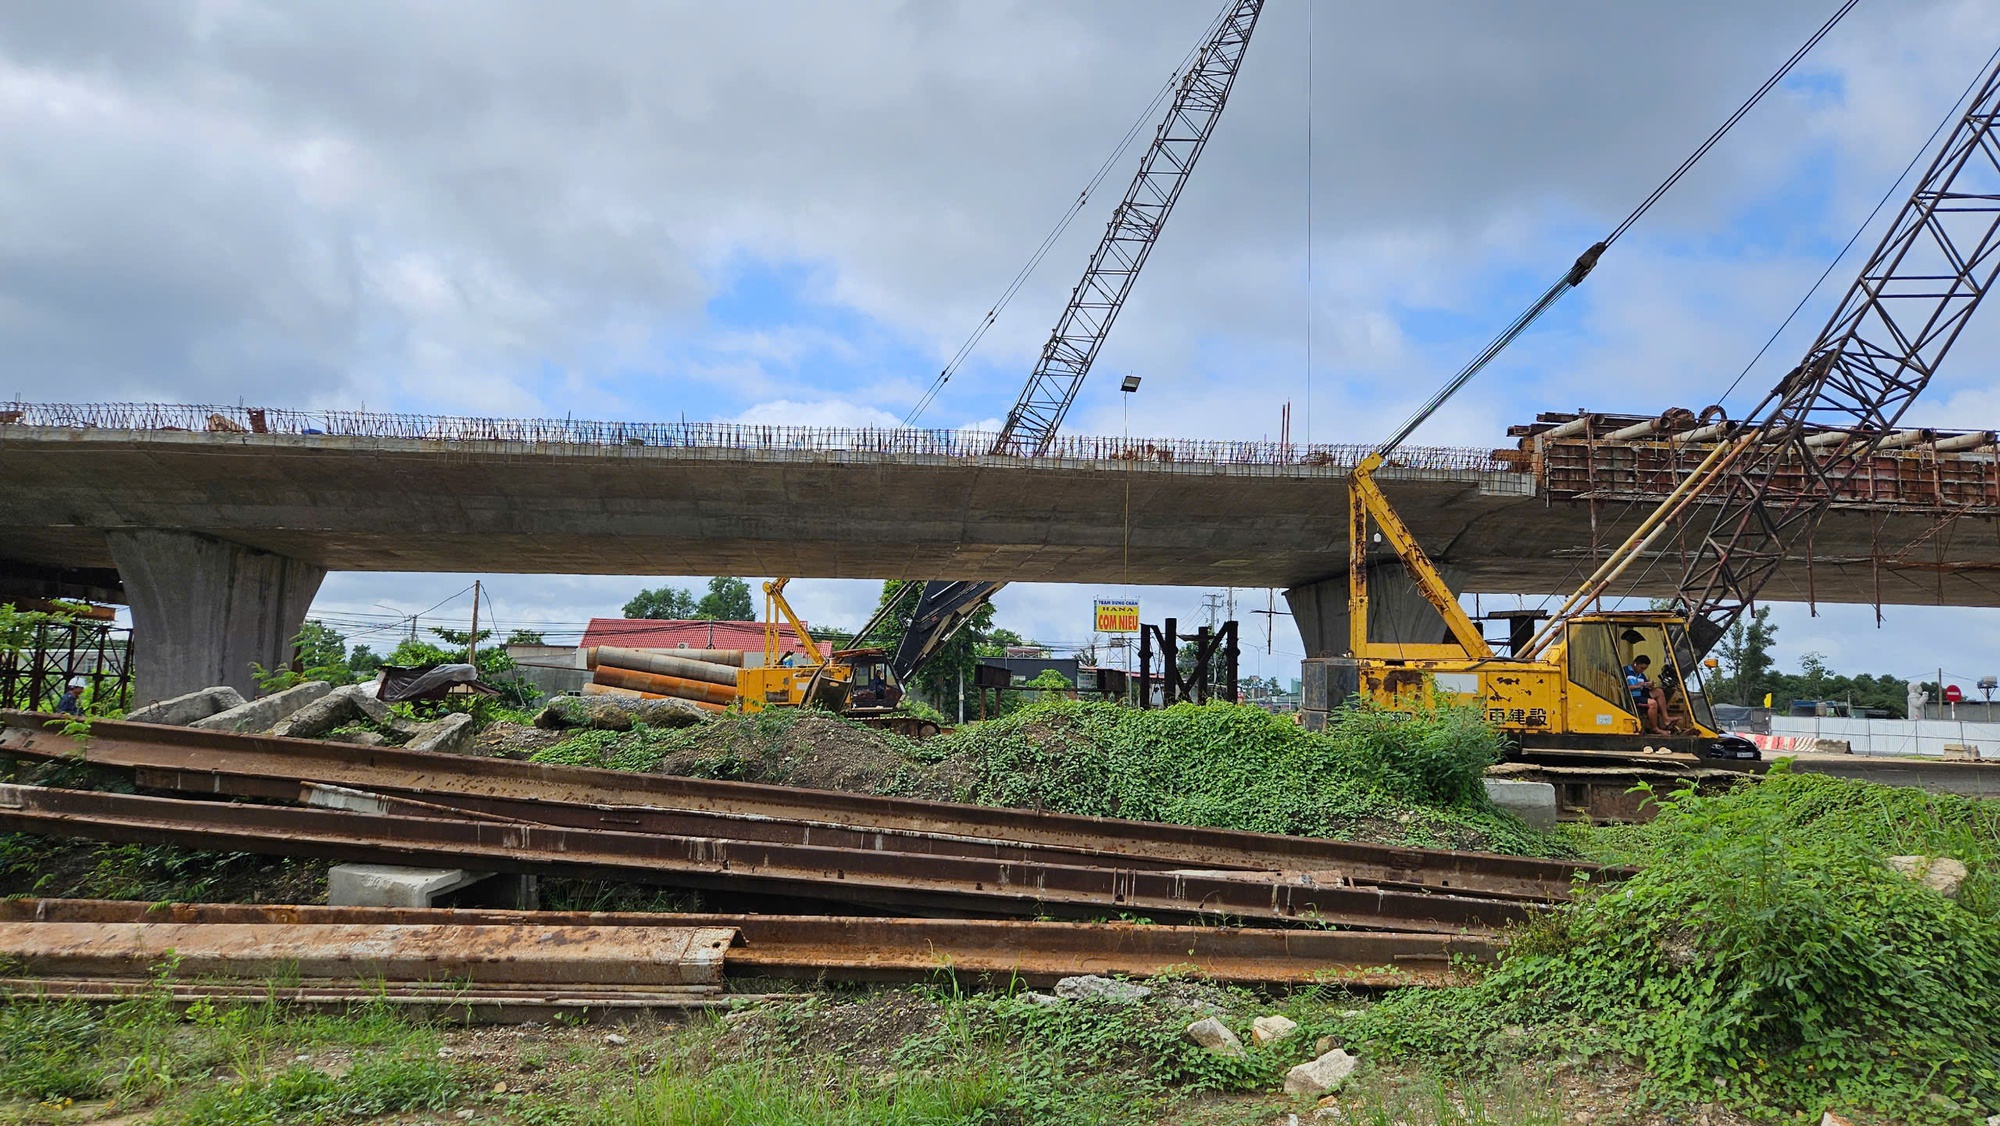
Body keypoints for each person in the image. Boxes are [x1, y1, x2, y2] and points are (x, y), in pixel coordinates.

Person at [1624, 656, 1667, 732]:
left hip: (1640, 693)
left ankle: (1666, 718)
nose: (1642, 670)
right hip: (1632, 697)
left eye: (1644, 669)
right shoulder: (1625, 671)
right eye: (1641, 668)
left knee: (1659, 691)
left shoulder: (1641, 674)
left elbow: (1644, 685)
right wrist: (1636, 686)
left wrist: (1649, 685)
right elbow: (1621, 687)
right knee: (1652, 703)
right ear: (1635, 664)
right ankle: (1655, 728)